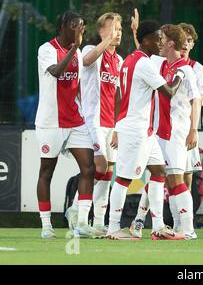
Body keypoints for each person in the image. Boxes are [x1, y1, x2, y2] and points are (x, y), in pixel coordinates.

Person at [106, 20, 185, 240]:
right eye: (158, 38)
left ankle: (158, 226)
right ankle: (113, 228)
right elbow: (168, 92)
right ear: (147, 40)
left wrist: (117, 125)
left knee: (159, 172)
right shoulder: (145, 64)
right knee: (123, 179)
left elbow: (120, 96)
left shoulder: (131, 60)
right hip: (136, 130)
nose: (161, 42)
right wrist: (180, 75)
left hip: (143, 130)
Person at [36, 12, 98, 238]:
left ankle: (81, 223)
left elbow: (77, 86)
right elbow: (55, 71)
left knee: (89, 168)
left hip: (75, 120)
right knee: (46, 172)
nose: (78, 30)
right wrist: (74, 49)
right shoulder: (47, 49)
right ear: (62, 26)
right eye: (74, 26)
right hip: (50, 121)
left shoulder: (79, 52)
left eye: (81, 27)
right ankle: (46, 226)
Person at [65, 12, 123, 236]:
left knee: (108, 172)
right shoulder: (90, 51)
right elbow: (86, 62)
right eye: (113, 28)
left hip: (110, 123)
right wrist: (105, 41)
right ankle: (78, 213)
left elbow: (118, 96)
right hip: (93, 120)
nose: (117, 33)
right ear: (101, 31)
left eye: (119, 29)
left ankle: (98, 221)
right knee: (97, 166)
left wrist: (118, 126)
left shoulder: (118, 60)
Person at [156, 24, 202, 240]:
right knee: (170, 181)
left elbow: (196, 100)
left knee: (177, 179)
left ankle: (189, 229)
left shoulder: (186, 69)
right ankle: (179, 227)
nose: (159, 42)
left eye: (162, 39)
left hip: (178, 132)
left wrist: (194, 130)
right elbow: (141, 51)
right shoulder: (164, 65)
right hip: (163, 132)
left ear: (170, 42)